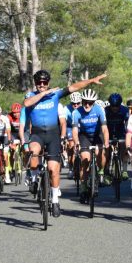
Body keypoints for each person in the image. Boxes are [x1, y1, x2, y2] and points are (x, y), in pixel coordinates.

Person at [24, 69, 107, 217]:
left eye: (44, 83)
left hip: (53, 134)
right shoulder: (31, 95)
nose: (42, 85)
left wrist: (91, 80)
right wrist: (43, 94)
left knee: (53, 169)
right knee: (33, 153)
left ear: (48, 82)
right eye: (39, 83)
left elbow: (74, 87)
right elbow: (26, 103)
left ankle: (55, 200)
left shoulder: (56, 95)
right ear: (35, 84)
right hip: (37, 133)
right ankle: (35, 178)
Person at [72, 89, 109, 204]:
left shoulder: (99, 110)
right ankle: (83, 186)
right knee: (85, 159)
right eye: (85, 102)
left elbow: (104, 128)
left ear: (94, 102)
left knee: (101, 154)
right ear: (82, 101)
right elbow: (74, 130)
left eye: (90, 102)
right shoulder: (76, 112)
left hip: (97, 135)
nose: (87, 105)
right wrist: (76, 142)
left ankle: (100, 171)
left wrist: (106, 142)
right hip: (84, 136)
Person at [104, 93, 130, 183]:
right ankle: (107, 172)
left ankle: (125, 170)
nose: (115, 108)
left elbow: (128, 125)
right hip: (109, 131)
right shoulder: (105, 111)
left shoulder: (125, 110)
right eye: (113, 106)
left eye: (117, 106)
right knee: (107, 152)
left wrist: (128, 136)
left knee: (124, 146)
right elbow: (102, 126)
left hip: (120, 131)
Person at [64, 92, 82, 179]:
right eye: (73, 103)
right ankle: (71, 169)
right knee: (71, 145)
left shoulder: (84, 108)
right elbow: (63, 122)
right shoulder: (66, 109)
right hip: (70, 127)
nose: (75, 105)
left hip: (81, 127)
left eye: (78, 103)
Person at [7, 103, 22, 182]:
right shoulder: (9, 117)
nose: (16, 114)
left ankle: (22, 160)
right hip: (13, 134)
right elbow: (7, 129)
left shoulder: (23, 116)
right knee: (12, 151)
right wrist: (10, 142)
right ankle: (12, 169)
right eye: (14, 113)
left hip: (21, 133)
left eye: (18, 112)